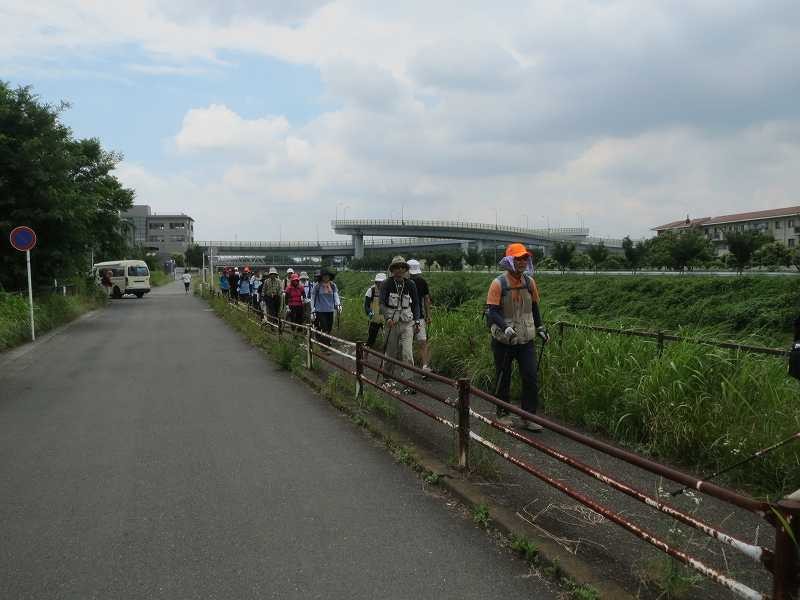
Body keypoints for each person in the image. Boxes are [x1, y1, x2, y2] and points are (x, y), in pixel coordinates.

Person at [485, 243, 550, 431]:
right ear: (509, 261)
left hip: (525, 338)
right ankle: (502, 413)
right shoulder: (498, 283)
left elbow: (535, 308)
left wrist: (541, 327)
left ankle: (528, 416)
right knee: (503, 376)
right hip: (504, 340)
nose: (522, 262)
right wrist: (505, 328)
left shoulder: (530, 283)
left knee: (530, 376)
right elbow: (492, 312)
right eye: (518, 259)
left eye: (524, 259)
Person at [379, 256, 421, 393]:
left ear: (405, 269)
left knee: (407, 353)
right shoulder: (386, 284)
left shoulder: (411, 284)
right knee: (391, 353)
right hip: (392, 323)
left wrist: (417, 321)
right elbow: (382, 304)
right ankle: (387, 380)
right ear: (392, 269)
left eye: (402, 267)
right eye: (397, 267)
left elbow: (416, 304)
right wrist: (387, 317)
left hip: (407, 322)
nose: (400, 269)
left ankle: (409, 383)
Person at [408, 259, 432, 372]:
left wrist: (427, 315)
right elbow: (426, 300)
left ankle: (418, 367)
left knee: (409, 343)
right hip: (417, 317)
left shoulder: (404, 281)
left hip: (409, 317)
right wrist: (429, 315)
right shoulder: (422, 281)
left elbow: (426, 299)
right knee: (422, 341)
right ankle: (424, 366)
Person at [310, 268, 341, 347]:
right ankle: (325, 345)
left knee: (329, 327)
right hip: (320, 310)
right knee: (324, 327)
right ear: (322, 277)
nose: (326, 277)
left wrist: (338, 304)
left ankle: (323, 340)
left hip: (330, 310)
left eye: (328, 276)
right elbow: (313, 298)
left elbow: (336, 295)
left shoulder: (333, 285)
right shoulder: (317, 286)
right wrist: (312, 309)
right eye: (324, 276)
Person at [364, 273, 387, 348]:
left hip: (386, 318)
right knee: (371, 338)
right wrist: (370, 313)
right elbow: (366, 305)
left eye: (381, 283)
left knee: (387, 339)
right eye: (378, 282)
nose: (379, 284)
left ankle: (385, 356)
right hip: (375, 318)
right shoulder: (371, 290)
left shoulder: (388, 290)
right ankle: (365, 356)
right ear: (375, 282)